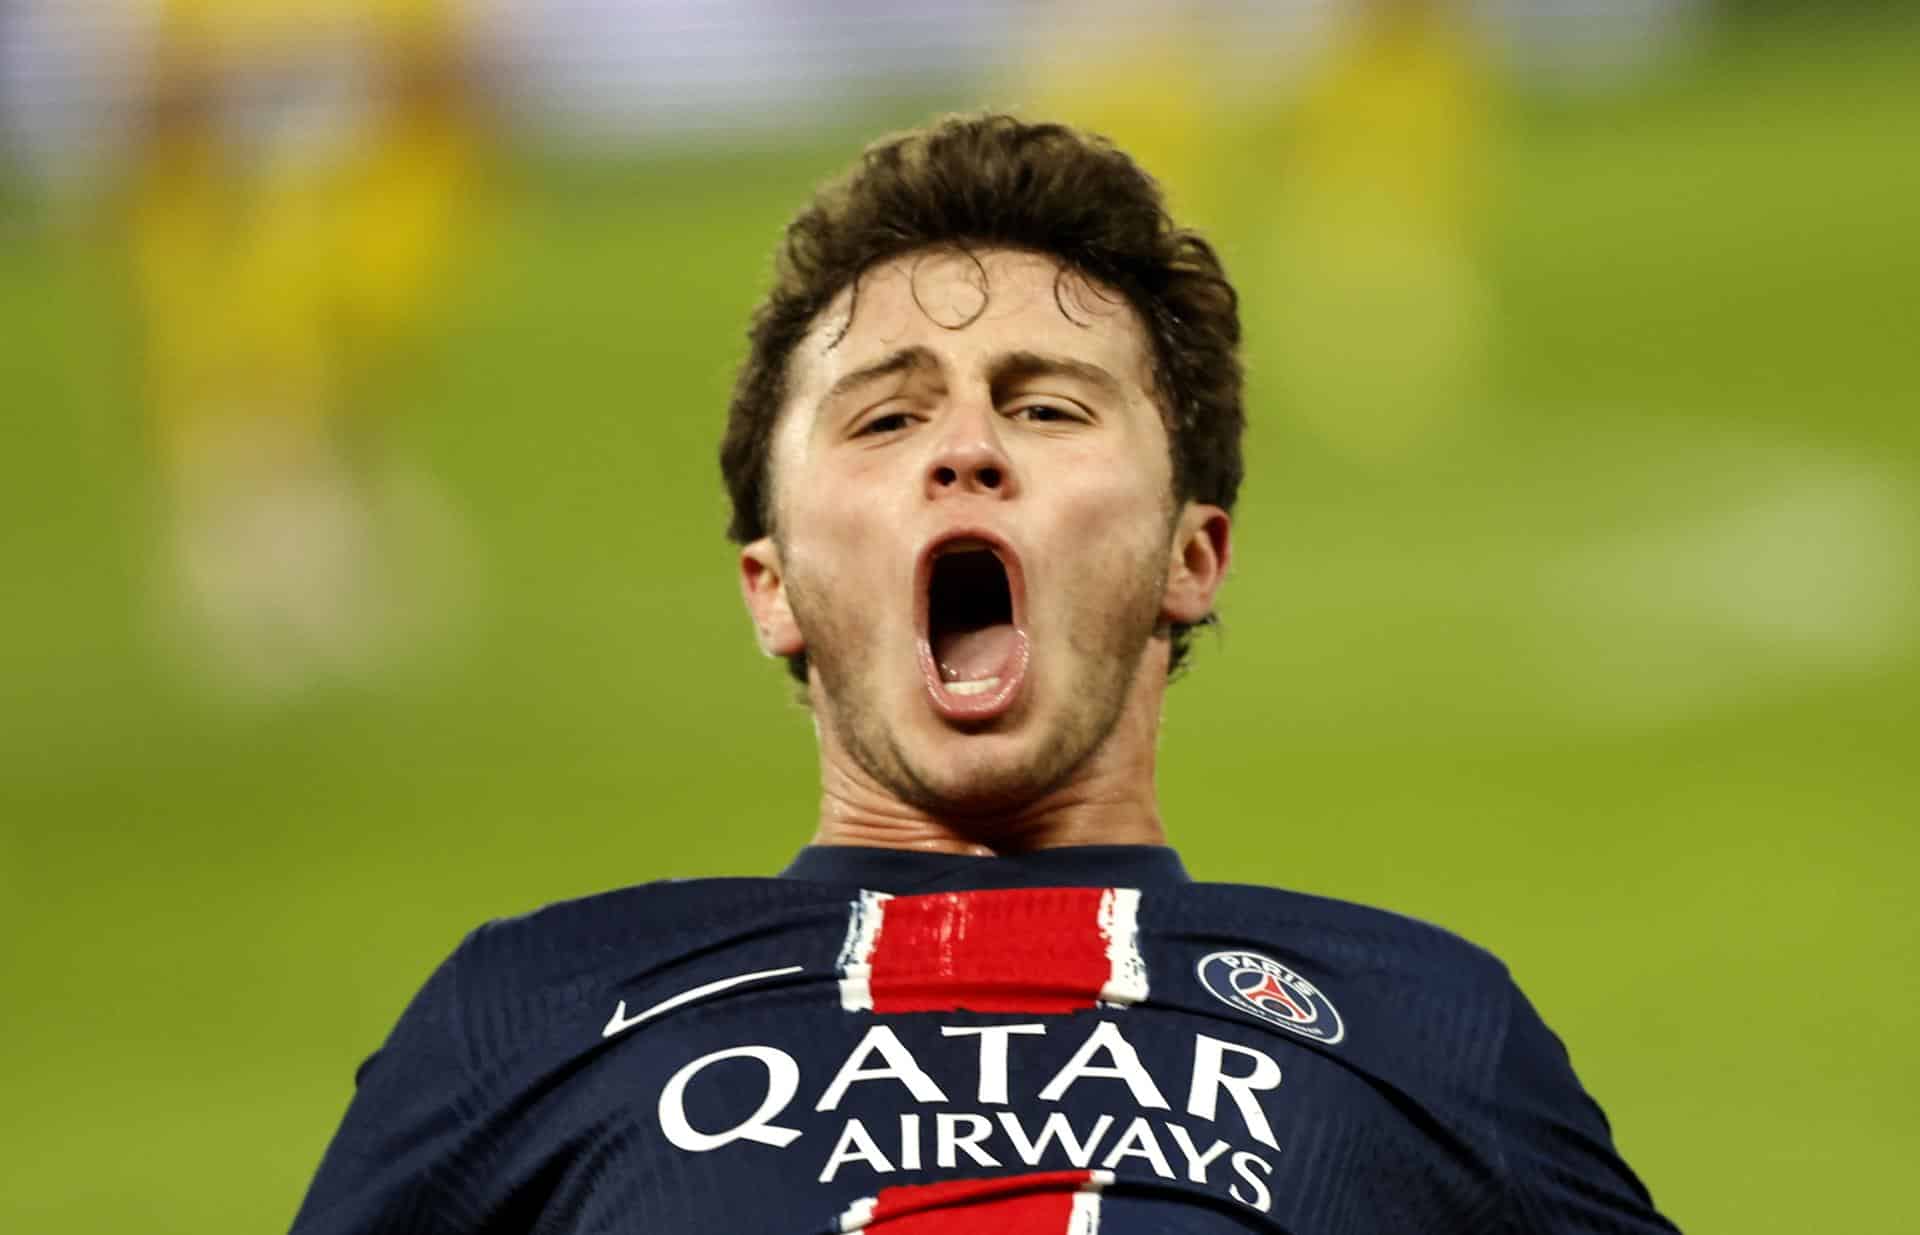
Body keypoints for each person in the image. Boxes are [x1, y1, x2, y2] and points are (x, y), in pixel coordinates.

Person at [289, 114, 1680, 1233]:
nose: (967, 447)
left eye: (1048, 405)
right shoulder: (528, 1013)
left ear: (1190, 556)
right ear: (771, 588)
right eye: (887, 416)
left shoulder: (1423, 1023)